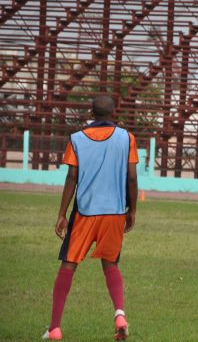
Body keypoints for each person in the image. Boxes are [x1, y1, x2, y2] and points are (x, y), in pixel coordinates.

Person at [42, 96, 138, 341]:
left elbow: (71, 177)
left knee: (68, 266)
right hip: (115, 213)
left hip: (85, 212)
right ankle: (120, 314)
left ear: (91, 112)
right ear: (114, 112)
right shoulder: (127, 138)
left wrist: (62, 213)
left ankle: (54, 329)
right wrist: (132, 211)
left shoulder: (77, 138)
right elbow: (132, 178)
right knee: (111, 264)